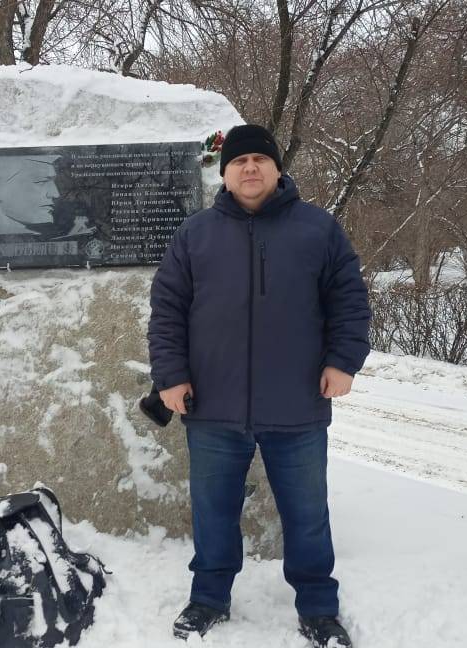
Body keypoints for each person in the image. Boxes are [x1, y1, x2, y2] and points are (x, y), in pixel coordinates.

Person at [147, 124, 371, 647]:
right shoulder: (195, 233)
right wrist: (170, 377)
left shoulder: (318, 229)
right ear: (224, 173)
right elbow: (168, 312)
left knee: (307, 512)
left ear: (276, 168)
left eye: (259, 160)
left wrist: (343, 361)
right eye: (239, 161)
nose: (250, 169)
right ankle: (208, 598)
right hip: (212, 402)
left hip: (297, 402)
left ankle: (317, 606)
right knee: (212, 509)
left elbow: (350, 301)